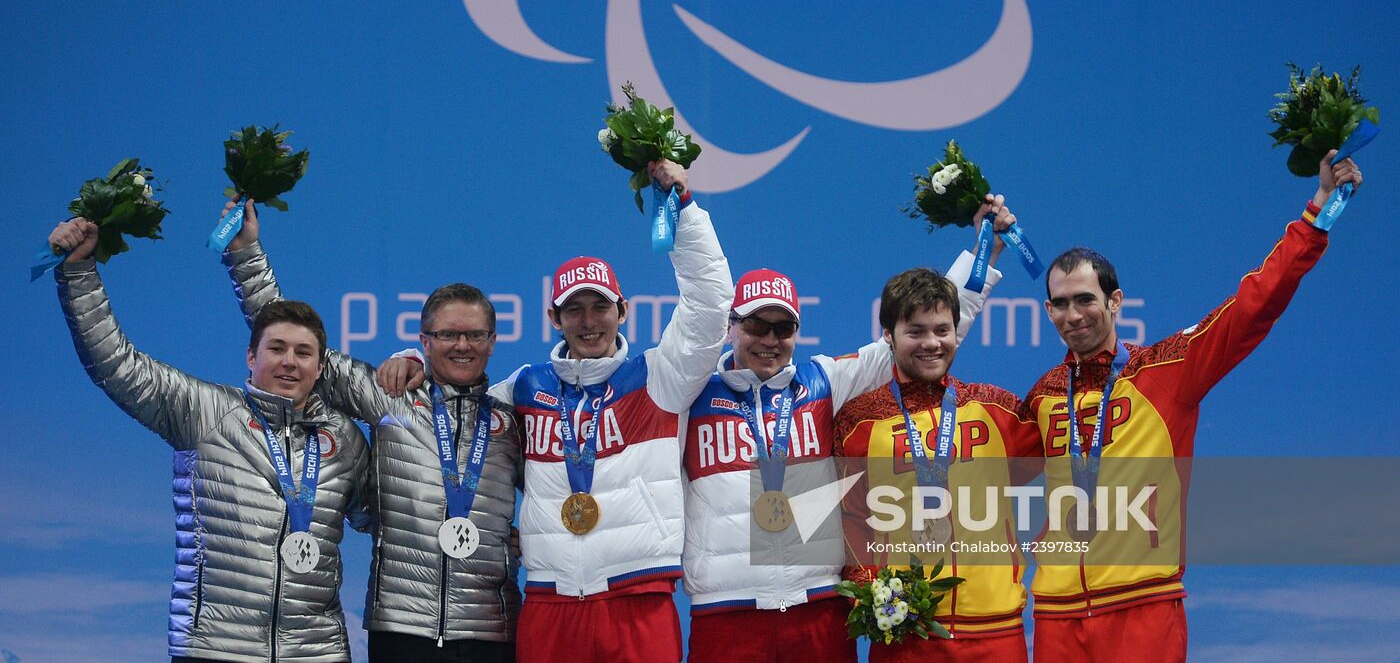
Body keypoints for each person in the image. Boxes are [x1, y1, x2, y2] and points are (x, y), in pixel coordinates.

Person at [383, 159, 732, 663]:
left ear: (623, 310)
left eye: (600, 307)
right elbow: (455, 409)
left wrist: (686, 211)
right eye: (574, 309)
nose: (589, 322)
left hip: (638, 599)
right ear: (554, 317)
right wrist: (416, 359)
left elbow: (710, 306)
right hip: (551, 601)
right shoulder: (525, 388)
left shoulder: (661, 377)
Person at [1021, 150, 1363, 662]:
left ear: (1115, 301)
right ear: (1048, 310)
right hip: (1056, 617)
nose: (1074, 315)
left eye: (1085, 299)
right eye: (1062, 304)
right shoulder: (1044, 395)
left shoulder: (1168, 369)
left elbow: (1253, 305)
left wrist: (1317, 212)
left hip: (1143, 609)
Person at [681, 198, 1016, 663]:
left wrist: (984, 252)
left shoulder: (824, 382)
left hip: (818, 606)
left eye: (783, 327)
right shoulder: (690, 396)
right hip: (724, 610)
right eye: (756, 325)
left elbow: (926, 330)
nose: (770, 340)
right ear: (730, 327)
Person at [48, 217, 370, 663]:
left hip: (317, 652)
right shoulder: (205, 411)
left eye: (303, 353)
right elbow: (117, 365)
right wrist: (79, 272)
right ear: (251, 356)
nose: (289, 362)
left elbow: (391, 518)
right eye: (276, 348)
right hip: (215, 648)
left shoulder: (344, 438)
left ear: (319, 369)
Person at [217, 199, 522, 662]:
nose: (462, 345)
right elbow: (289, 330)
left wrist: (530, 541)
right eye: (447, 335)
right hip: (400, 629)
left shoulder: (512, 422)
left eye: (475, 335)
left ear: (493, 342)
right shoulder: (389, 396)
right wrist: (245, 253)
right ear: (424, 341)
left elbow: (562, 487)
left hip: (490, 629)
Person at [834, 262, 1042, 662]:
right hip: (907, 639)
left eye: (942, 330)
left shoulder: (998, 409)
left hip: (997, 635)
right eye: (916, 331)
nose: (931, 343)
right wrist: (869, 595)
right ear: (888, 335)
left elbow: (1073, 454)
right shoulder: (857, 421)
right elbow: (849, 522)